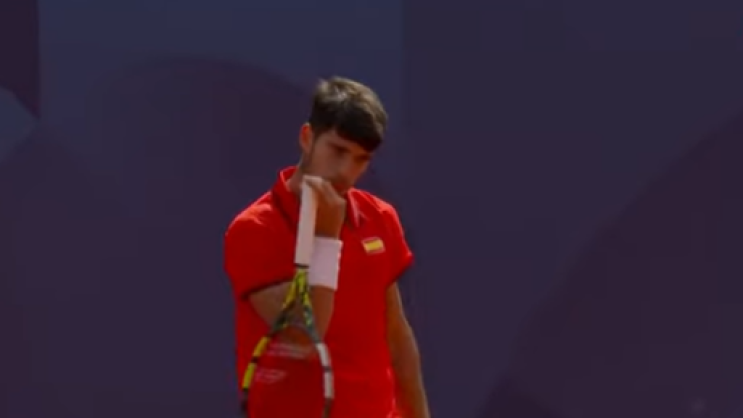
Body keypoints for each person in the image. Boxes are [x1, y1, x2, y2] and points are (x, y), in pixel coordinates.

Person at [224, 76, 430, 418]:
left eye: (361, 159)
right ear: (307, 138)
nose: (346, 171)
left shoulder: (381, 218)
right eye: (338, 150)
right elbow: (305, 337)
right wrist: (325, 239)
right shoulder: (254, 229)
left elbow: (396, 333)